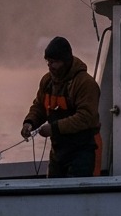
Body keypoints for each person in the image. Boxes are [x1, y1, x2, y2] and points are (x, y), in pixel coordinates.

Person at [21, 36, 101, 178]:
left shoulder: (85, 83)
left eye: (55, 62)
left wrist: (53, 128)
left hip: (81, 153)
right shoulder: (47, 81)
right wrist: (30, 122)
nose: (50, 66)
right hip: (57, 153)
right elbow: (39, 106)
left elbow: (86, 117)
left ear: (66, 61)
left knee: (75, 195)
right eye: (48, 62)